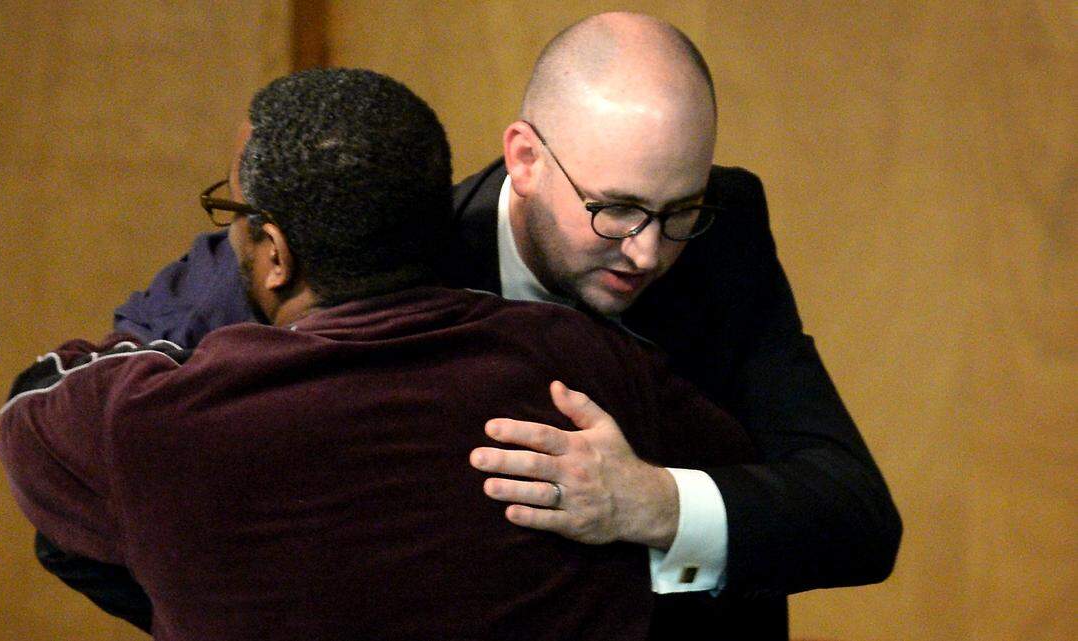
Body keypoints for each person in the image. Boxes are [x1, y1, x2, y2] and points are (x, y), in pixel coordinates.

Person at [73, 11, 902, 640]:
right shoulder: (385, 244)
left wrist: (649, 504)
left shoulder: (726, 231)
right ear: (525, 158)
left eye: (676, 210)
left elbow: (855, 516)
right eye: (613, 209)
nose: (648, 251)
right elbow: (100, 462)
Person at [0, 67, 756, 640]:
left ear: (275, 255)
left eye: (233, 216)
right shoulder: (585, 367)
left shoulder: (160, 423)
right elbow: (743, 484)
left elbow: (29, 418)